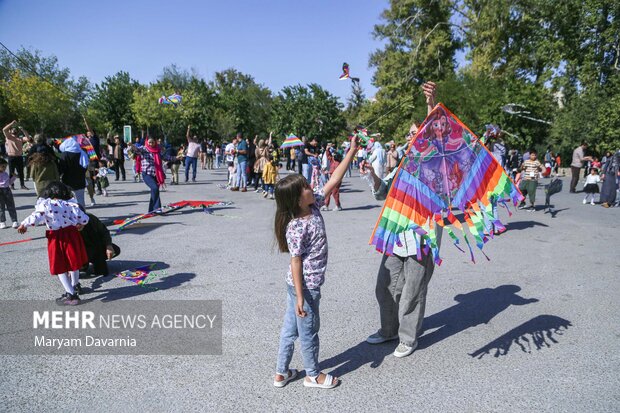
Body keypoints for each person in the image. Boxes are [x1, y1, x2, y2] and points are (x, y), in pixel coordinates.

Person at [272, 134, 358, 389]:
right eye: (306, 188)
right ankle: (312, 375)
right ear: (298, 199)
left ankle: (281, 373)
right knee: (308, 330)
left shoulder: (314, 205)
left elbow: (334, 179)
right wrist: (301, 297)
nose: (311, 187)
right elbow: (295, 262)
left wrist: (351, 152)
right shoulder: (297, 226)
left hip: (298, 286)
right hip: (305, 287)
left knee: (291, 329)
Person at [360, 81, 438, 359]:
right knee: (385, 286)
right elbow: (383, 192)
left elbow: (435, 135)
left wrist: (430, 105)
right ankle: (389, 329)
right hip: (396, 235)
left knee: (413, 291)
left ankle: (408, 337)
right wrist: (372, 173)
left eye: (417, 133)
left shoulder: (434, 165)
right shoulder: (403, 165)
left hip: (421, 237)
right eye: (410, 134)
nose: (412, 137)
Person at [17, 182, 89, 305]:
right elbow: (84, 219)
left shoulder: (46, 204)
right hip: (72, 235)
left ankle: (71, 294)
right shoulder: (71, 204)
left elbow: (36, 216)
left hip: (56, 237)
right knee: (74, 263)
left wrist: (24, 224)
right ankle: (75, 285)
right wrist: (80, 224)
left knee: (60, 265)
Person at [127, 137, 166, 212]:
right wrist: (132, 145)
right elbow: (137, 149)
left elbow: (165, 157)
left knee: (154, 191)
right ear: (147, 142)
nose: (151, 144)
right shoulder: (144, 149)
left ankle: (151, 209)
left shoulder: (158, 150)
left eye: (152, 142)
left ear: (155, 142)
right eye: (149, 142)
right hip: (147, 174)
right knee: (154, 188)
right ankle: (157, 208)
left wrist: (176, 158)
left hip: (156, 174)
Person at [79, 208, 120, 276]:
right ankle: (81, 266)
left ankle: (95, 262)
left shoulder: (91, 218)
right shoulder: (66, 224)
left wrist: (108, 246)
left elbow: (104, 232)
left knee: (115, 250)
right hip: (77, 250)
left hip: (92, 246)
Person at [58, 136, 89, 207]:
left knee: (69, 201)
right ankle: (82, 215)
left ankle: (72, 216)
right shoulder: (82, 153)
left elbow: (61, 169)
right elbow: (85, 166)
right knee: (80, 200)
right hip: (80, 180)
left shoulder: (65, 155)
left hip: (68, 181)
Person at [2, 120, 29, 189]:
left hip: (19, 157)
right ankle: (12, 185)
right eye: (12, 129)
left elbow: (28, 138)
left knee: (21, 172)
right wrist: (11, 123)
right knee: (11, 172)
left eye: (15, 129)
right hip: (11, 157)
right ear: (10, 131)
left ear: (17, 132)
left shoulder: (20, 138)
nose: (14, 130)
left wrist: (22, 129)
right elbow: (4, 129)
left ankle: (22, 185)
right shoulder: (8, 137)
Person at [0, 158, 18, 228]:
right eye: (3, 166)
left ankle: (14, 221)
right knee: (1, 207)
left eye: (5, 166)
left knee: (11, 206)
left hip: (7, 190)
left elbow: (9, 182)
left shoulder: (5, 173)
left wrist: (14, 177)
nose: (4, 168)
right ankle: (2, 222)